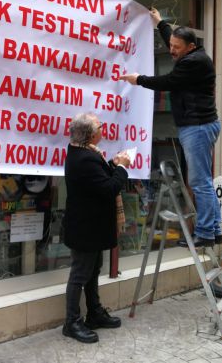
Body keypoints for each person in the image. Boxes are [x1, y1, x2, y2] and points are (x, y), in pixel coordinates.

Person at [120, 8, 222, 249]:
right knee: (203, 182)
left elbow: (168, 82)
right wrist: (160, 23)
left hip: (197, 128)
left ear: (190, 47)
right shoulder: (191, 54)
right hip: (199, 126)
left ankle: (205, 233)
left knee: (200, 183)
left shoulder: (193, 63)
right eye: (172, 45)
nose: (172, 50)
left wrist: (139, 79)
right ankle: (214, 230)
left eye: (177, 47)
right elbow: (172, 41)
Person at [62, 112, 131, 343]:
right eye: (100, 127)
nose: (103, 130)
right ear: (91, 135)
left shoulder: (86, 153)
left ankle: (94, 313)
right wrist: (122, 169)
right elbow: (108, 189)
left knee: (93, 271)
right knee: (80, 274)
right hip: (85, 228)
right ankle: (71, 322)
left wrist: (112, 164)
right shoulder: (84, 158)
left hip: (91, 227)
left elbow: (98, 180)